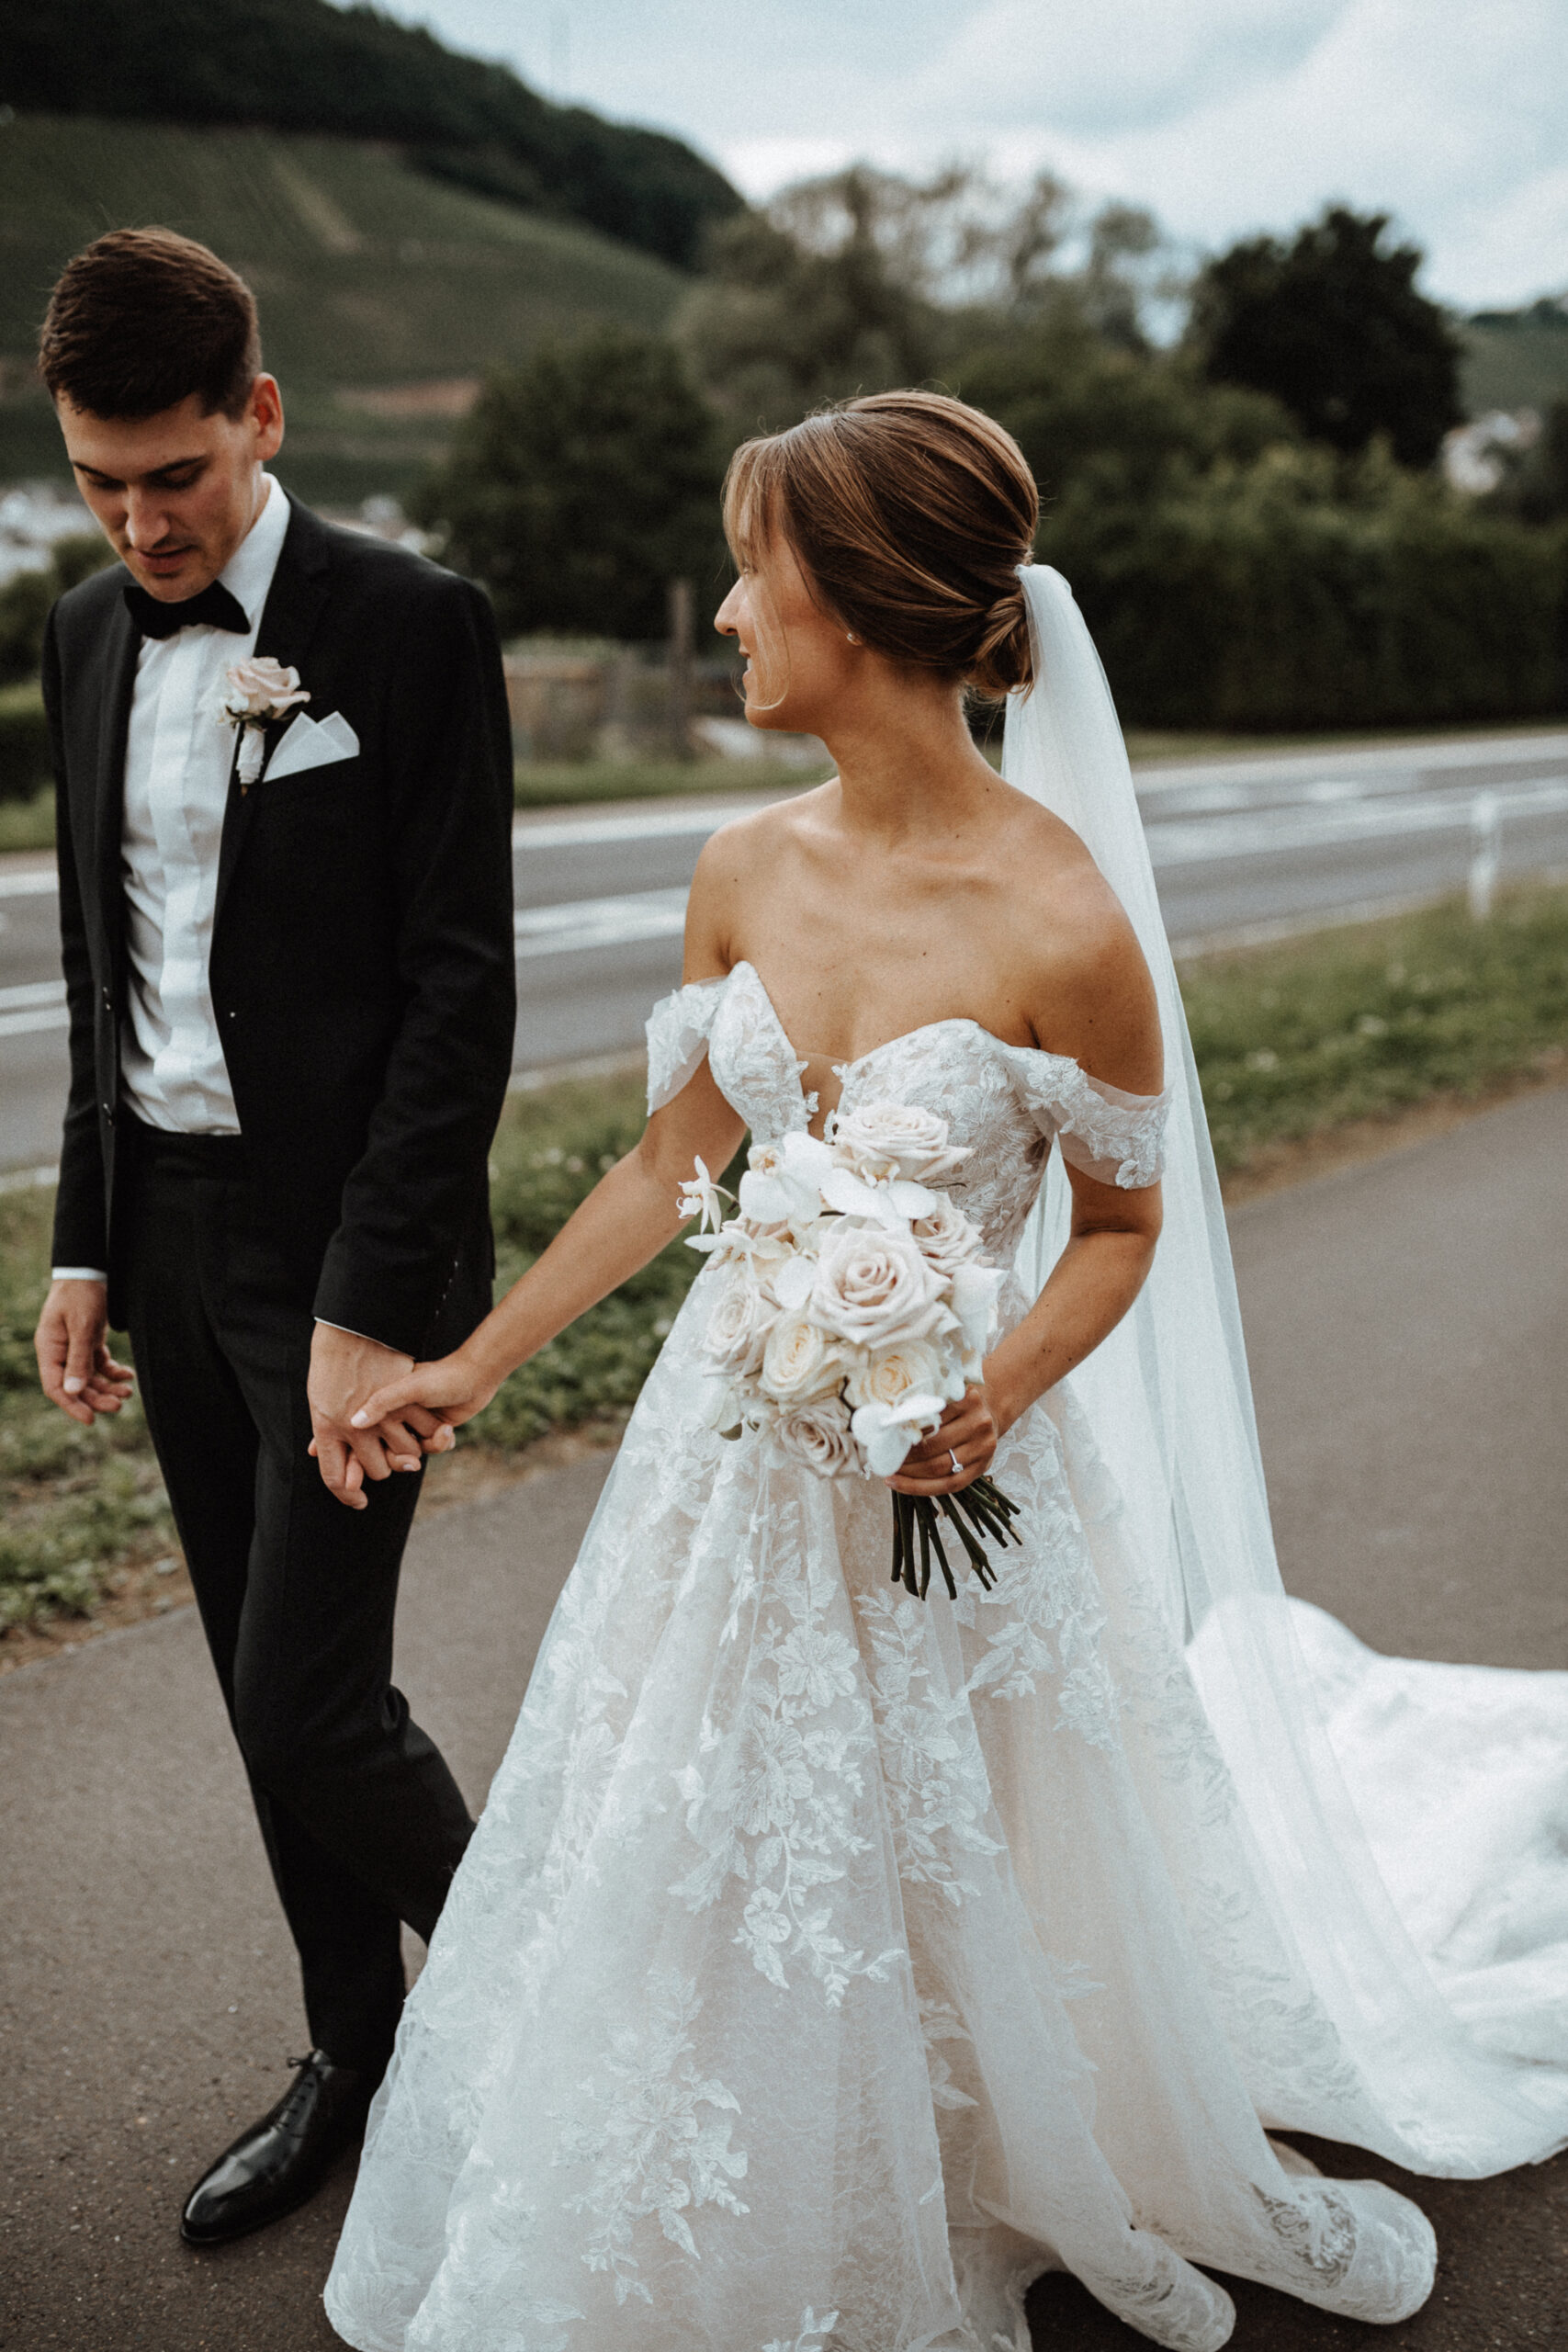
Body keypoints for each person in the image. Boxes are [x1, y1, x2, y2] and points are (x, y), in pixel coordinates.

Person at [323, 392, 1567, 2352]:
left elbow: (1118, 1228)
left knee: (965, 1820)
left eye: (751, 570)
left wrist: (993, 1384)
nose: (727, 613)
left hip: (946, 1476)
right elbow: (673, 1165)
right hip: (721, 1468)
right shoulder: (738, 862)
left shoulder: (1065, 920)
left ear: (854, 596)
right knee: (701, 1810)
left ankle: (991, 2139)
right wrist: (466, 1363)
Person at [30, 231, 516, 2248]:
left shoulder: (406, 623)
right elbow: (103, 968)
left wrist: (360, 1302)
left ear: (263, 416)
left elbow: (457, 993)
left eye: (178, 477)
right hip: (165, 1237)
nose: (143, 521)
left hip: (350, 1261)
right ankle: (356, 2047)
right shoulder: (78, 636)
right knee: (263, 1691)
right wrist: (81, 1239)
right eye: (100, 480)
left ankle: (555, 2006)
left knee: (310, 1692)